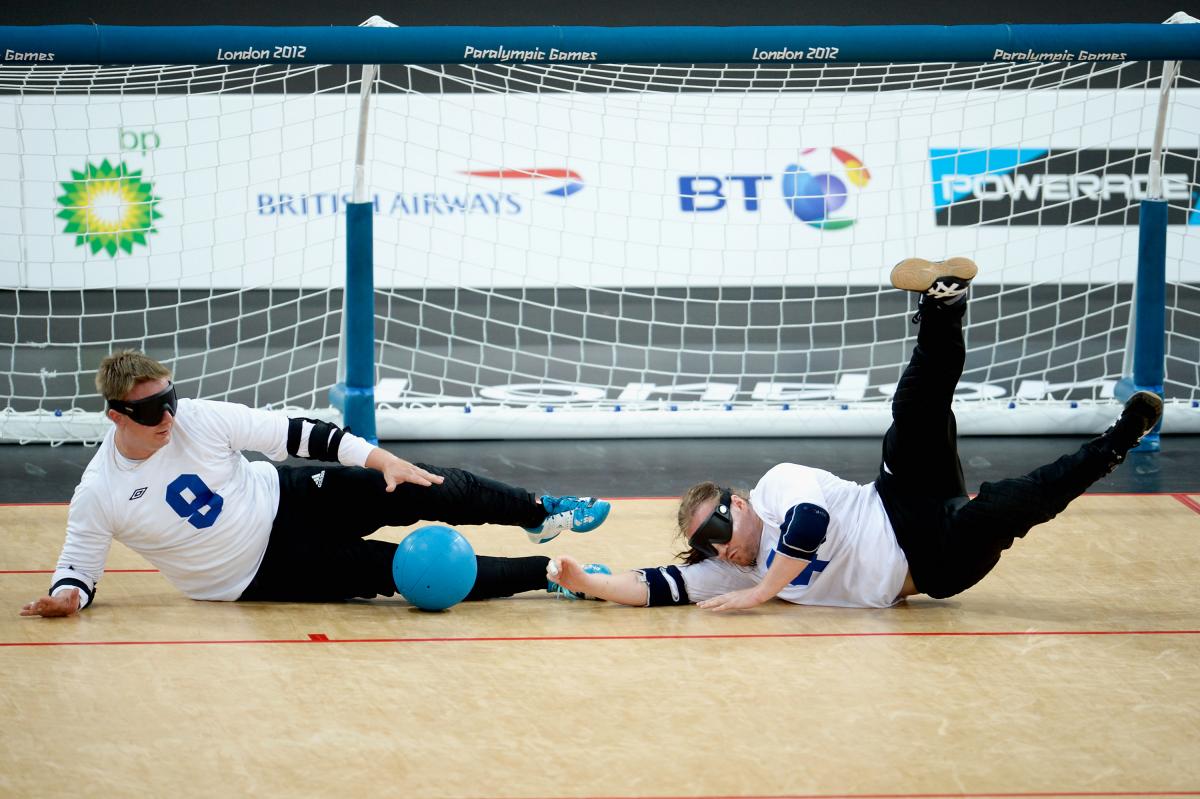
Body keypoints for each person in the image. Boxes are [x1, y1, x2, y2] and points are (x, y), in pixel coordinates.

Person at [546, 257, 1164, 611]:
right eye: (706, 547)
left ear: (739, 505)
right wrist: (588, 582)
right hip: (931, 567)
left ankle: (943, 308)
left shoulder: (779, 488)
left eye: (715, 530)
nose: (717, 550)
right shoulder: (732, 570)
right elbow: (659, 585)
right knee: (1008, 504)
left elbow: (810, 525)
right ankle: (1118, 441)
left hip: (897, 501)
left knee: (915, 413)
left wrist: (763, 591)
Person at [20, 350, 611, 617]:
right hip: (254, 575)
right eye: (150, 413)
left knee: (417, 485)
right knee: (410, 573)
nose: (168, 419)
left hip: (285, 496)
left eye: (169, 402)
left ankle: (540, 511)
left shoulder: (197, 418)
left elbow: (296, 433)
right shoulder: (100, 490)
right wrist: (70, 595)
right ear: (116, 417)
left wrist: (379, 459)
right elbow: (80, 561)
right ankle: (557, 576)